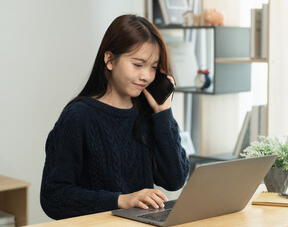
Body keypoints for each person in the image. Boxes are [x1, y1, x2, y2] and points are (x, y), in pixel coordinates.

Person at [40, 14, 190, 220]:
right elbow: (53, 197)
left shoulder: (149, 115)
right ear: (110, 60)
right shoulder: (78, 116)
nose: (146, 76)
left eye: (153, 67)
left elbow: (175, 179)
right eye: (138, 64)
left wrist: (164, 113)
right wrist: (122, 200)